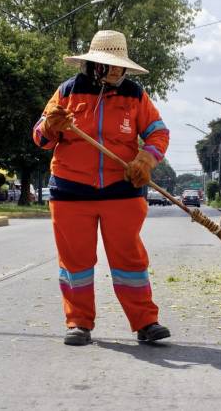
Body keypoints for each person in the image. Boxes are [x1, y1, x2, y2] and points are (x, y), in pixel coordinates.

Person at [32, 30, 170, 346]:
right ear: (95, 65)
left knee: (130, 261)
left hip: (122, 191)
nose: (117, 72)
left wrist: (145, 160)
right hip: (70, 192)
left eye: (121, 66)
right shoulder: (67, 92)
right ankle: (79, 323)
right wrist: (51, 125)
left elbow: (159, 134)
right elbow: (39, 137)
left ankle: (146, 323)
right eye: (111, 66)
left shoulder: (135, 96)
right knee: (76, 262)